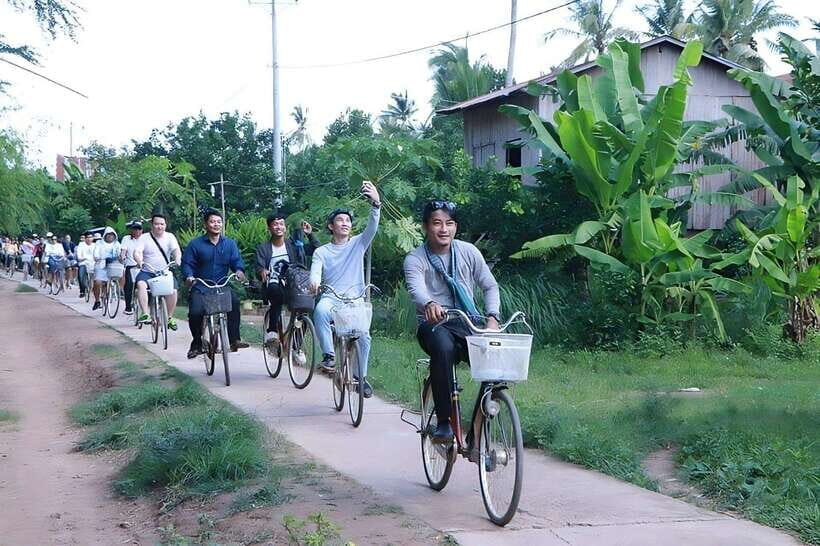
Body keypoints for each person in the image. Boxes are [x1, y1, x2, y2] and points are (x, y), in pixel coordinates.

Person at [403, 200, 501, 443]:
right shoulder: (415, 258)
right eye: (437, 223)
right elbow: (416, 289)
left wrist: (492, 317)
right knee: (443, 348)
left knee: (494, 366)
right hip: (434, 323)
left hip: (467, 322)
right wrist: (429, 303)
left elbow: (490, 286)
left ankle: (477, 435)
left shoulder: (469, 252)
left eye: (449, 223)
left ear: (456, 226)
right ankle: (444, 423)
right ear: (425, 227)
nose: (444, 229)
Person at [309, 181, 381, 398]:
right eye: (340, 220)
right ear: (331, 226)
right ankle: (329, 356)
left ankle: (361, 377)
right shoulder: (322, 251)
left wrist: (376, 203)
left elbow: (372, 226)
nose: (345, 223)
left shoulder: (358, 243)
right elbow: (315, 272)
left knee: (365, 336)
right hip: (332, 297)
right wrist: (314, 282)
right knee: (320, 310)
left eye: (348, 220)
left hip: (355, 299)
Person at [182, 209, 248, 359]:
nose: (216, 224)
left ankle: (234, 339)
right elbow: (187, 264)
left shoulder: (229, 244)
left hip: (221, 285)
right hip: (201, 286)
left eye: (219, 222)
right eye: (212, 221)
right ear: (205, 224)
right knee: (195, 313)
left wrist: (239, 271)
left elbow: (236, 261)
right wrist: (189, 276)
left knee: (234, 303)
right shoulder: (195, 244)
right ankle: (197, 343)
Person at [255, 213, 318, 345]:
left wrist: (310, 234)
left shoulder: (294, 245)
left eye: (281, 224)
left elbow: (317, 250)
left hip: (294, 284)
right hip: (274, 284)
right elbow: (259, 268)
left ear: (285, 227)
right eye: (275, 224)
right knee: (275, 292)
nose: (279, 227)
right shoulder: (263, 248)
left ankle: (296, 346)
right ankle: (272, 330)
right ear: (269, 228)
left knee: (305, 309)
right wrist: (262, 271)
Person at [134, 214, 182, 328]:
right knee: (141, 284)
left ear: (165, 225)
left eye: (162, 224)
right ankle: (145, 313)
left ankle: (169, 317)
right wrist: (139, 261)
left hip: (164, 272)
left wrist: (177, 259)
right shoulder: (144, 238)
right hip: (147, 271)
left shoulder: (170, 237)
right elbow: (137, 252)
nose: (159, 226)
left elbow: (176, 250)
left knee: (173, 290)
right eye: (156, 224)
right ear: (152, 225)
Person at [92, 227, 121, 310]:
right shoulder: (99, 243)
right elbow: (96, 253)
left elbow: (120, 253)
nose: (110, 236)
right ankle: (97, 300)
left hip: (113, 265)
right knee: (97, 282)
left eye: (112, 235)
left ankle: (110, 294)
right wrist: (98, 257)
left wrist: (120, 258)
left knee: (113, 279)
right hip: (101, 264)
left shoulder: (117, 244)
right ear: (105, 235)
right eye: (108, 234)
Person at [119, 221, 143, 315]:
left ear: (142, 230)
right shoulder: (126, 239)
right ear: (131, 230)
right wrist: (122, 256)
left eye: (139, 229)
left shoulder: (145, 239)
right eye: (135, 229)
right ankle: (128, 307)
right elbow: (123, 250)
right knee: (128, 285)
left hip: (143, 266)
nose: (137, 231)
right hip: (131, 265)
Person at [76, 232, 95, 299]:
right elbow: (79, 256)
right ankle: (82, 290)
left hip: (93, 263)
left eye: (90, 237)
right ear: (85, 238)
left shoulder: (95, 245)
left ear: (93, 238)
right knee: (81, 275)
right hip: (83, 262)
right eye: (87, 237)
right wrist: (83, 258)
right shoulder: (81, 245)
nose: (89, 239)